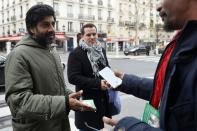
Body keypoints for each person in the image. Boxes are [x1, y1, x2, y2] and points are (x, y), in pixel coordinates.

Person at [103, 0, 197, 130]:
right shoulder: (183, 40)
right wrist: (125, 81)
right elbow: (169, 90)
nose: (157, 7)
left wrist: (130, 127)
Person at [5, 4, 95, 131]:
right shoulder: (18, 55)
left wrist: (72, 97)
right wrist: (64, 103)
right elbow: (19, 102)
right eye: (45, 25)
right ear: (31, 29)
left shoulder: (52, 51)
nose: (52, 29)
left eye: (53, 23)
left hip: (59, 125)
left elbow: (56, 88)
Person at [67, 23, 111, 130]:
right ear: (82, 36)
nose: (92, 37)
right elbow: (73, 77)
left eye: (94, 34)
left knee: (101, 125)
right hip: (87, 99)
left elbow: (106, 68)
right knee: (88, 126)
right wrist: (97, 83)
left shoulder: (101, 50)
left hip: (102, 100)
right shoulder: (76, 53)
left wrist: (111, 79)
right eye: (88, 35)